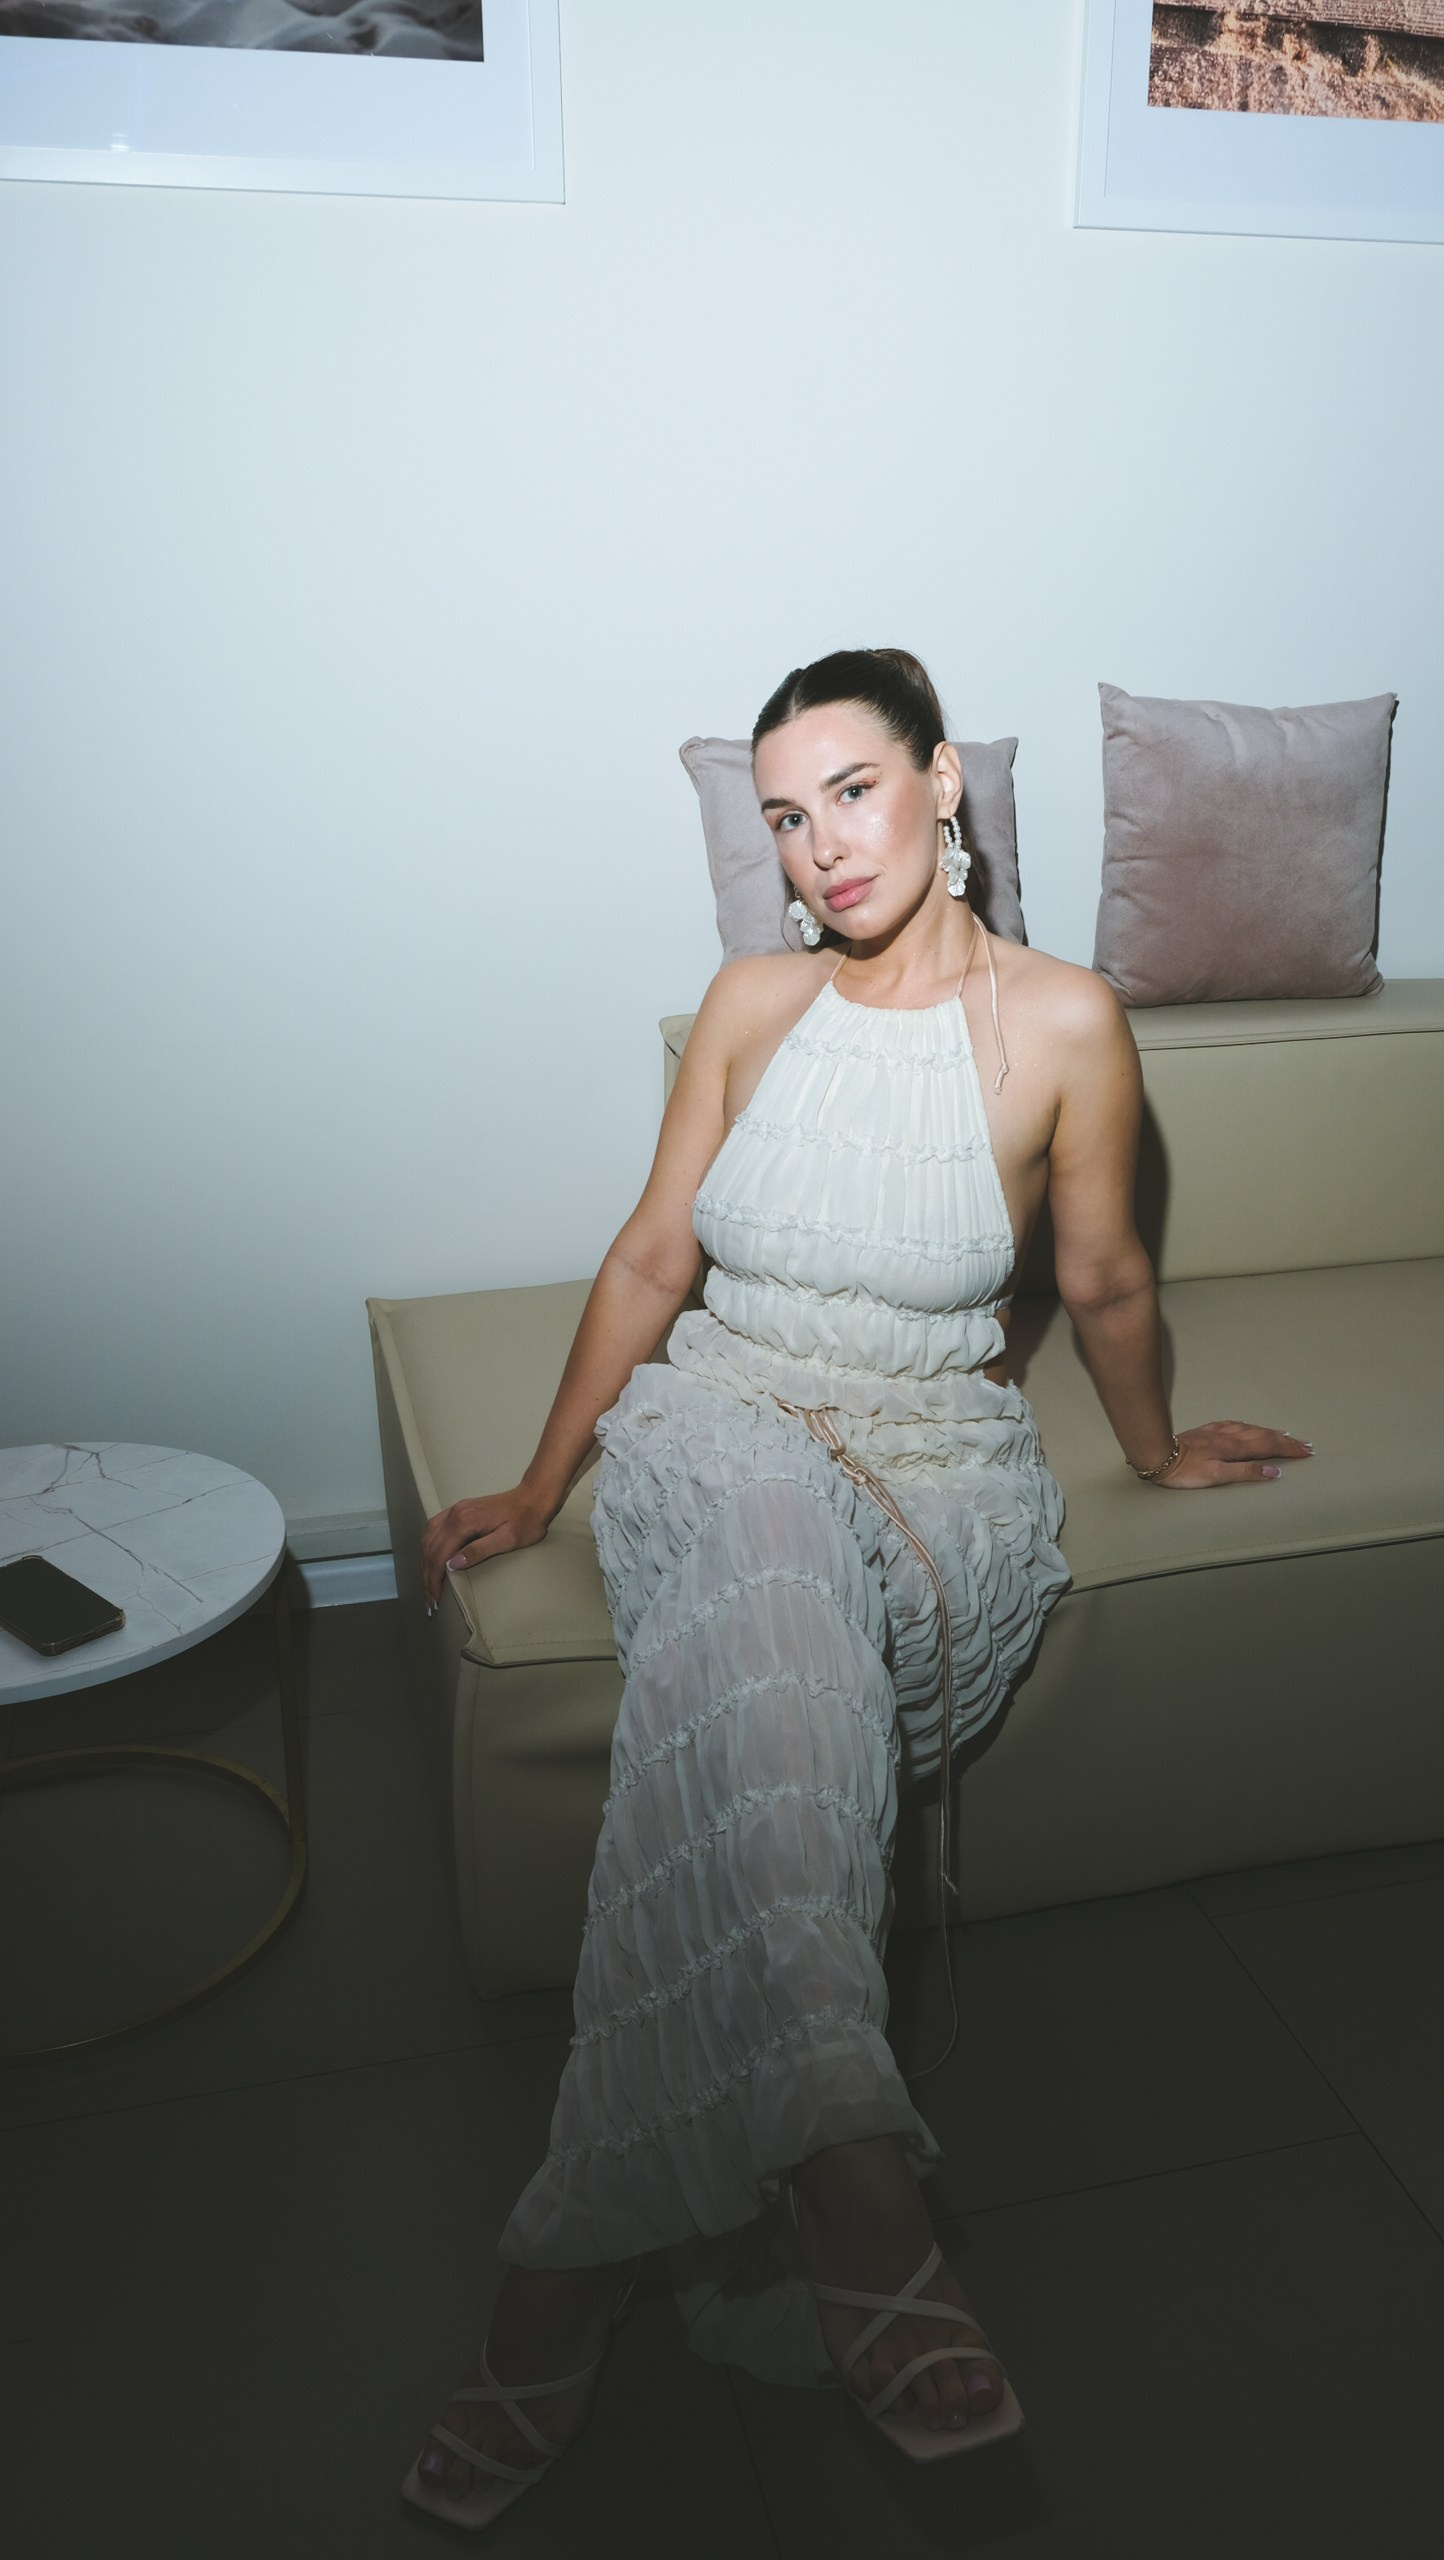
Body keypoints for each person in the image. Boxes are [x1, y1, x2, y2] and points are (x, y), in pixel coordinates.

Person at [401, 648, 1311, 2532]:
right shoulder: (753, 1006)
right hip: (714, 1429)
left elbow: (1105, 1279)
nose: (821, 846)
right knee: (757, 1524)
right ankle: (847, 2154)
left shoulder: (1064, 1021)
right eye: (784, 818)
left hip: (933, 1471)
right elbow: (653, 1261)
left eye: (854, 791)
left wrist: (1150, 1451)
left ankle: (567, 2272)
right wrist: (547, 1480)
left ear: (944, 783)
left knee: (777, 1634)